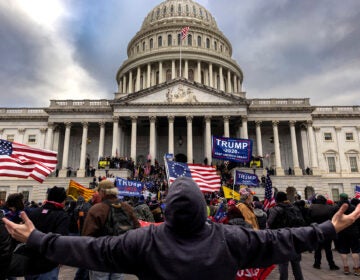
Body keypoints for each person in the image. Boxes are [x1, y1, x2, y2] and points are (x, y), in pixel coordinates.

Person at [3, 177, 360, 280]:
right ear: (205, 209)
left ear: (168, 211)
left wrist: (36, 237)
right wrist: (329, 228)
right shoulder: (231, 239)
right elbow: (282, 239)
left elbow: (86, 250)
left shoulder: (143, 241)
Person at [81, 179, 140, 280]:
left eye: (98, 192)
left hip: (101, 257)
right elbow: (138, 230)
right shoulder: (127, 207)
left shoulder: (96, 209)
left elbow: (87, 236)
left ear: (102, 192)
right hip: (119, 255)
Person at [267, 191, 305, 280]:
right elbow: (302, 222)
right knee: (296, 263)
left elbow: (269, 223)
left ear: (276, 199)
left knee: (283, 264)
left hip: (282, 238)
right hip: (295, 238)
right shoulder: (294, 208)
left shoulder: (275, 209)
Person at [308, 194, 339, 270]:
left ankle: (317, 263)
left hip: (316, 229)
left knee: (317, 248)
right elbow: (332, 219)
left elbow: (308, 218)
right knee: (328, 249)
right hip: (327, 229)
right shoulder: (329, 208)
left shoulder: (311, 207)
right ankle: (331, 264)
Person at [334, 193, 360, 275]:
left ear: (340, 198)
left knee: (343, 250)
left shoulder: (336, 208)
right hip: (353, 231)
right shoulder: (353, 207)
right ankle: (356, 269)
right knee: (355, 250)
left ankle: (346, 268)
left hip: (341, 231)